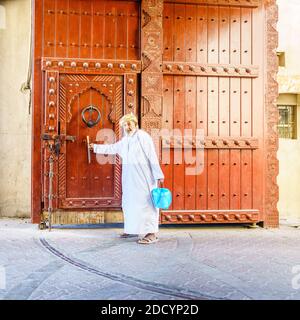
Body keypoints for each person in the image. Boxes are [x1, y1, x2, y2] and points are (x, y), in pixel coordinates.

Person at [89, 113, 164, 244]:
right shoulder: (126, 140)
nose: (127, 126)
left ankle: (151, 233)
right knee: (130, 203)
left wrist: (158, 175)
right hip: (130, 177)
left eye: (129, 123)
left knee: (146, 204)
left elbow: (152, 156)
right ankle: (131, 229)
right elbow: (112, 148)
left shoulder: (142, 137)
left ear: (135, 123)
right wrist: (94, 147)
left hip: (144, 177)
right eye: (124, 124)